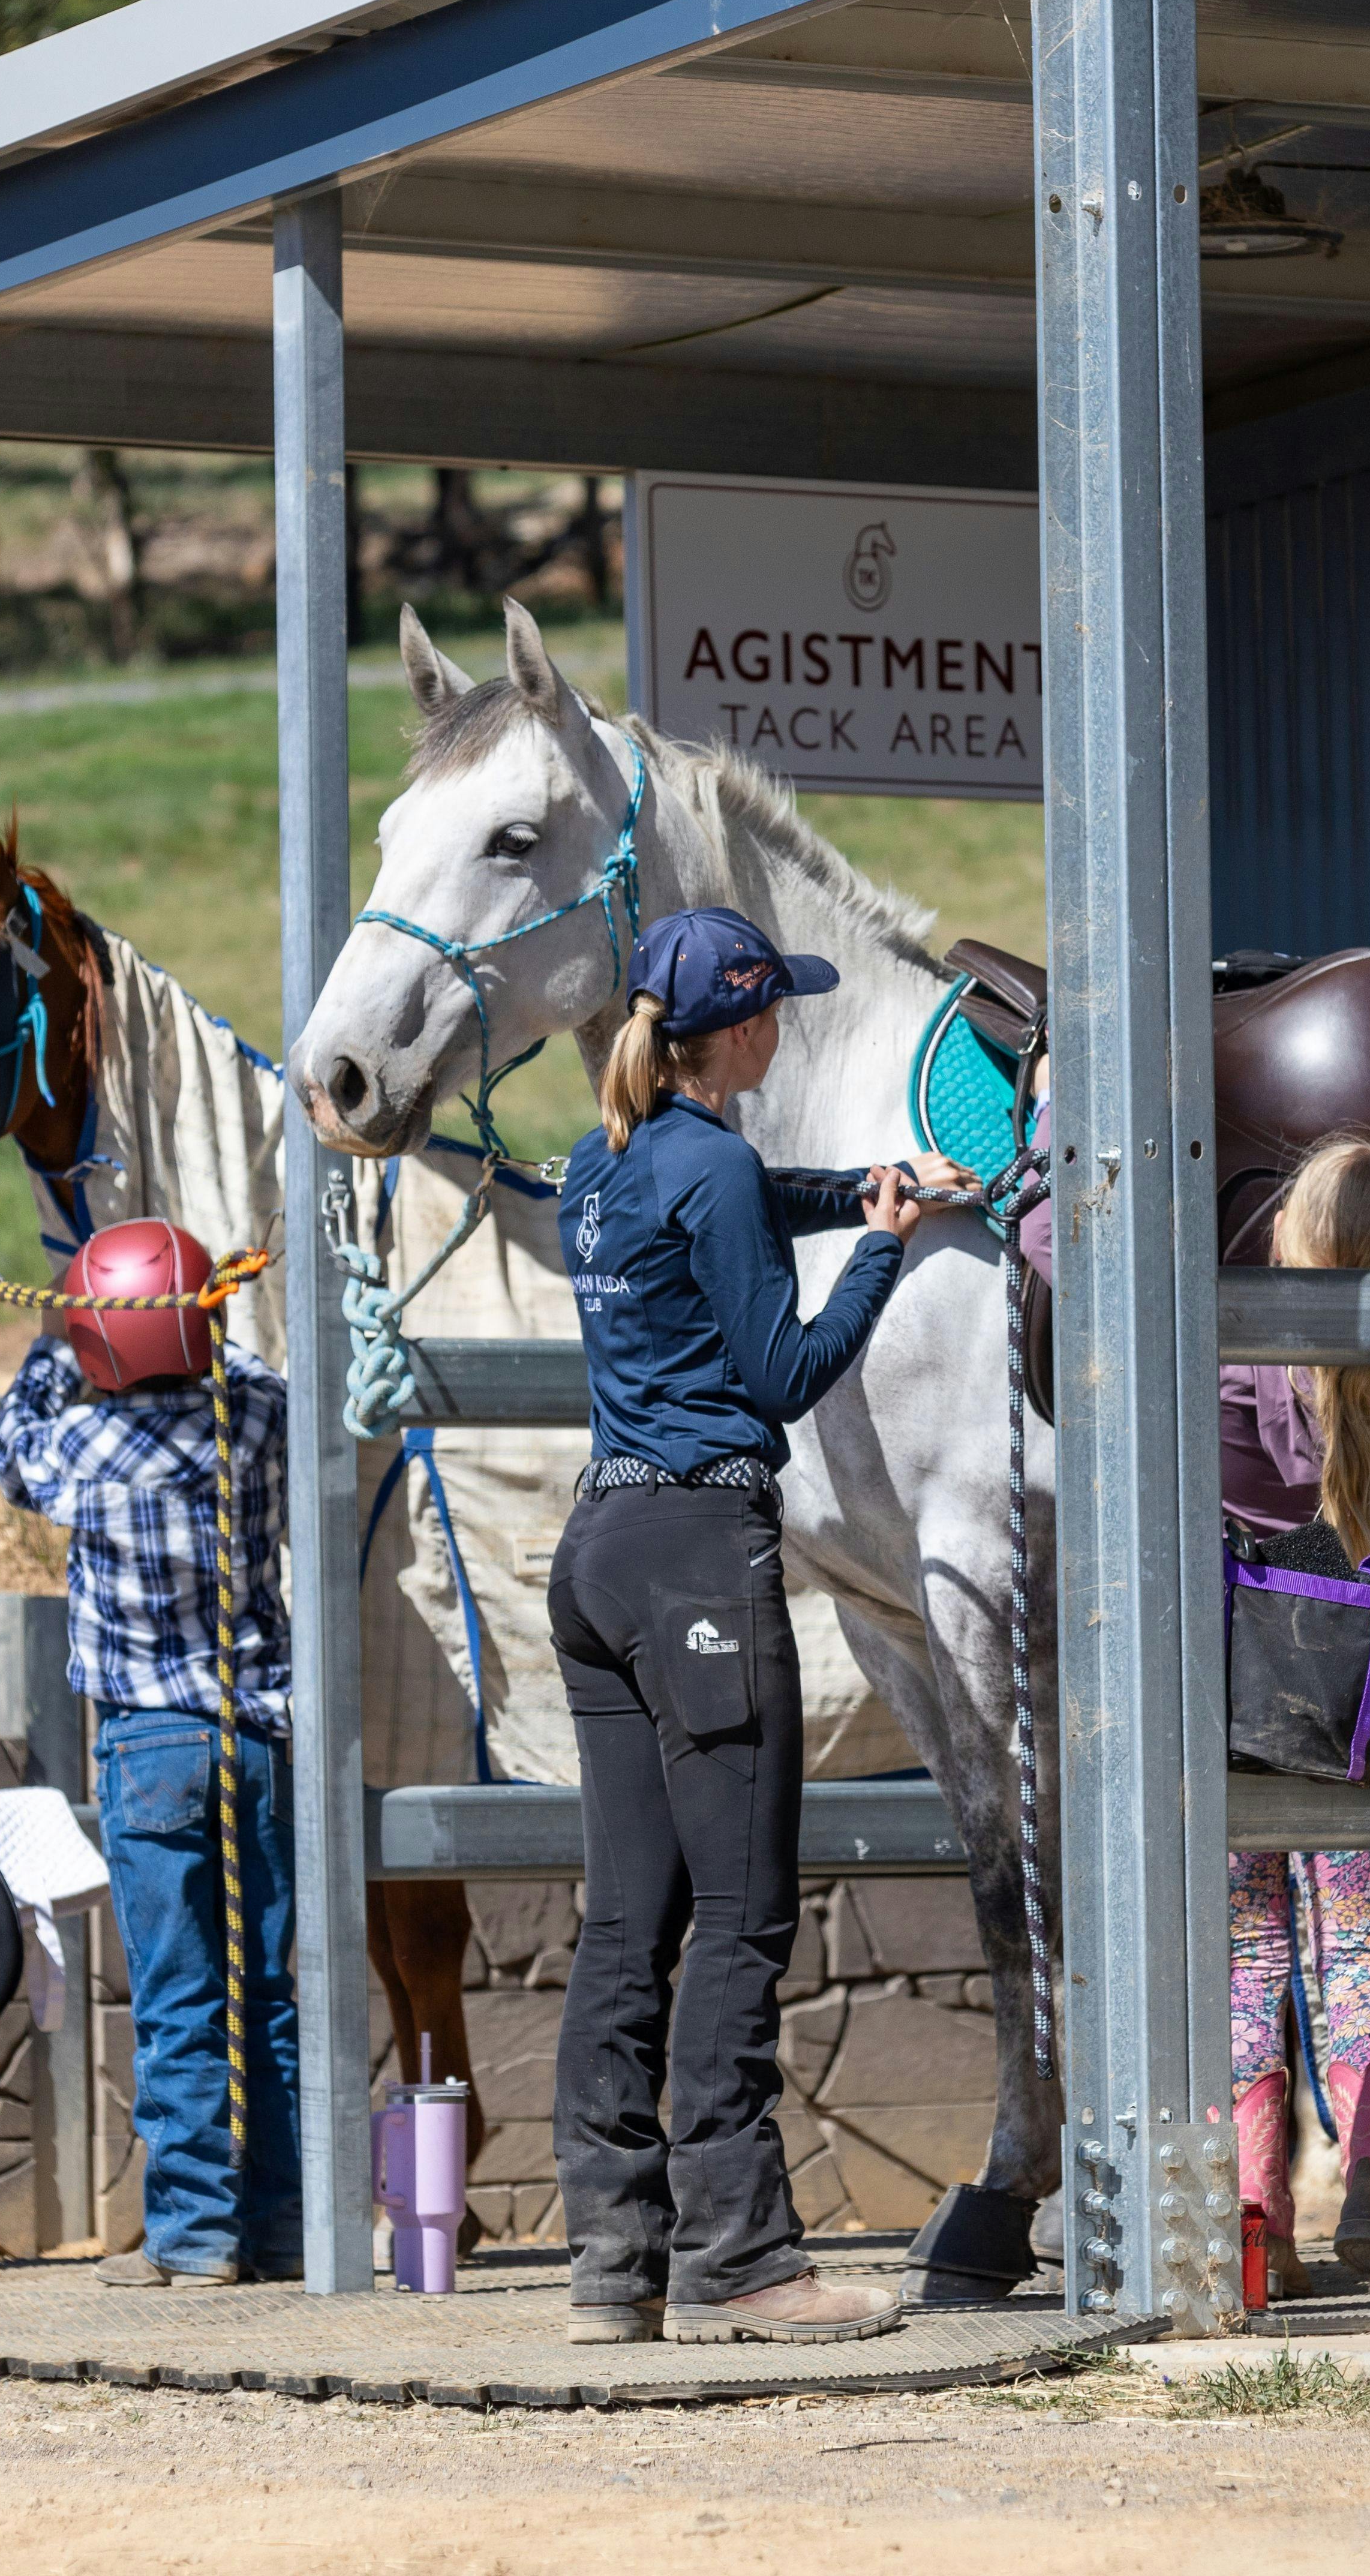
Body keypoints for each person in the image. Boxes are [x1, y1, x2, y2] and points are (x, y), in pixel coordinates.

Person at [545, 905, 969, 2346]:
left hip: (601, 1556)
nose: (783, 1026)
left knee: (629, 1922)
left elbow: (730, 1204)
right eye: (773, 1008)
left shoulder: (601, 1161)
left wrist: (858, 1185)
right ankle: (742, 2258)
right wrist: (884, 1247)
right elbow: (784, 1371)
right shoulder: (713, 1163)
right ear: (738, 1028)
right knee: (741, 1913)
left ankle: (615, 2258)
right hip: (698, 1561)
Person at [0, 1215, 298, 2289]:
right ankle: (288, 2226)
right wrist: (210, 1314)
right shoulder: (257, 1418)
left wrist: (49, 1346)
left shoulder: (79, 1447)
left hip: (149, 1748)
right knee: (269, 1993)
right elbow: (250, 1370)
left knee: (178, 1999)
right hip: (257, 1736)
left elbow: (10, 1445)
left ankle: (195, 2234)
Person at [1224, 1136, 1370, 2301]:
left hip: (1229, 1702)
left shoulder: (1226, 1356)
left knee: (1246, 1954)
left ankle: (1254, 2226)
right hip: (1354, 1709)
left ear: (1287, 1232)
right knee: (1362, 1951)